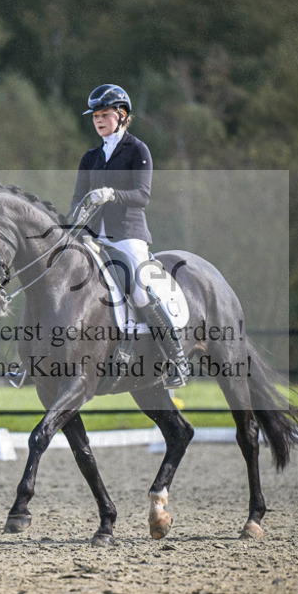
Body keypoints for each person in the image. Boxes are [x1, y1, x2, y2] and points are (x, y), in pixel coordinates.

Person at [68, 84, 190, 389]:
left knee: (138, 288)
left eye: (105, 115)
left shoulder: (137, 150)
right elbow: (77, 198)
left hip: (128, 236)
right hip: (95, 238)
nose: (98, 120)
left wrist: (111, 195)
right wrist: (76, 224)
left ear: (122, 116)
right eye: (95, 116)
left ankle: (177, 358)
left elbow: (142, 196)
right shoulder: (91, 157)